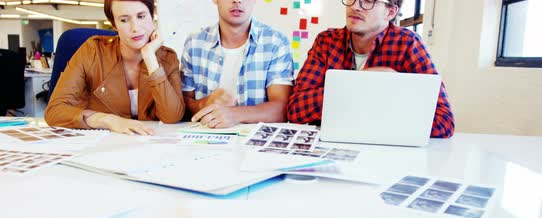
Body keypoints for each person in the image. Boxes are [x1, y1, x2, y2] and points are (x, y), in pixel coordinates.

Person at [287, 0, 454, 138]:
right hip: (333, 147)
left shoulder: (408, 44)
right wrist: (360, 83)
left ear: (390, 12)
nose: (354, 6)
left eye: (368, 1)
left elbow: (444, 121)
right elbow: (296, 110)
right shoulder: (327, 41)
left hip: (386, 152)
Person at [45, 0, 184, 135]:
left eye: (141, 16)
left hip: (148, 142)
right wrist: (107, 120)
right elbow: (54, 111)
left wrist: (149, 56)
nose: (135, 28)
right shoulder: (92, 51)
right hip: (100, 144)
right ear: (114, 25)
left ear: (152, 16)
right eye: (124, 20)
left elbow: (172, 116)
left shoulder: (167, 58)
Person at [181, 0, 294, 129]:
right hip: (202, 142)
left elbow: (282, 109)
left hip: (253, 145)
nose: (237, 1)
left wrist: (235, 114)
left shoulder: (276, 42)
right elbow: (180, 107)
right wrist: (203, 103)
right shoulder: (194, 42)